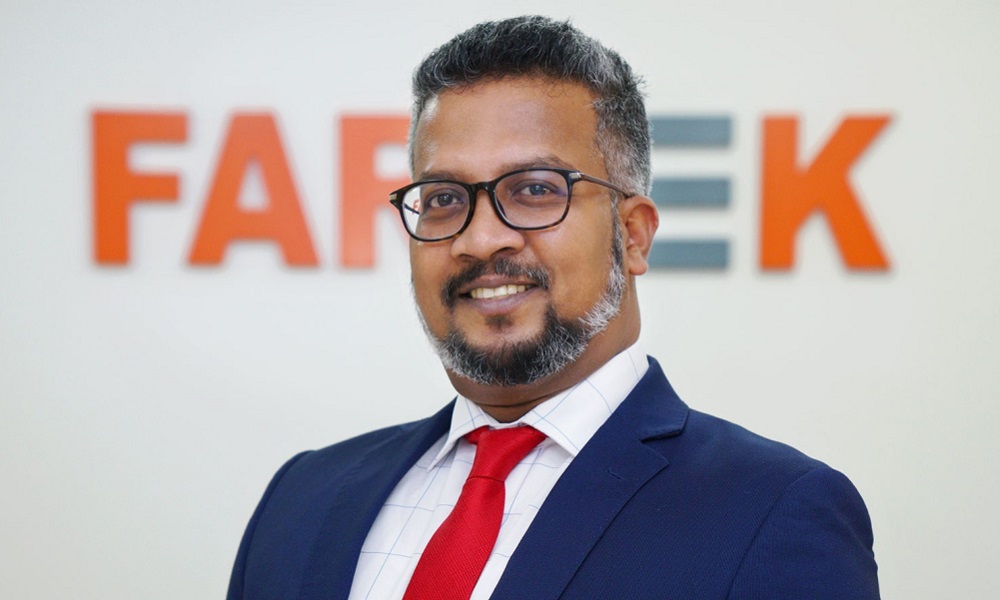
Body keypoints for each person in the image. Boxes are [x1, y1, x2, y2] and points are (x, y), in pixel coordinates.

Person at [227, 16, 880, 600]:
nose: (481, 238)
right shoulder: (303, 499)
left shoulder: (771, 512)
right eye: (445, 198)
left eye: (536, 190)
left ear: (633, 234)